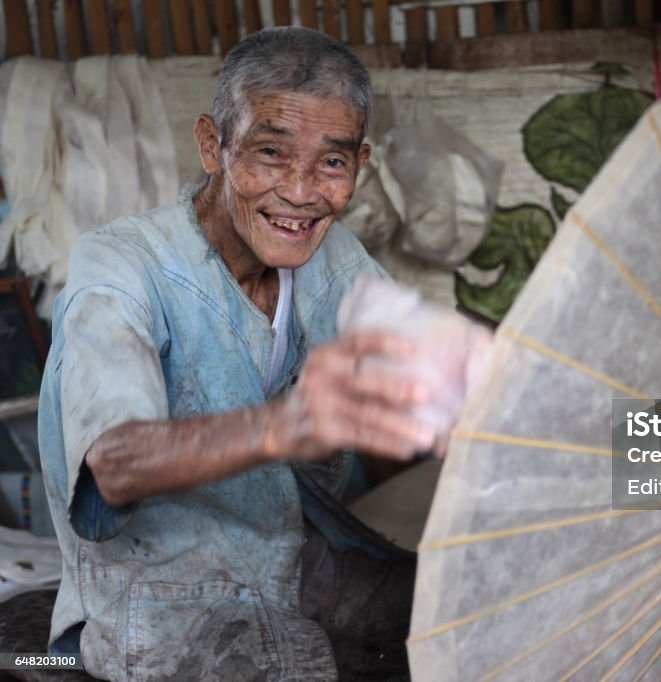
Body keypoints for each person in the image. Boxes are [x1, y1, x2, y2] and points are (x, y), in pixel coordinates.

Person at [38, 27, 436, 681]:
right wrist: (287, 426)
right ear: (212, 145)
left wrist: (650, 443)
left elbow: (438, 366)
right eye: (271, 154)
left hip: (299, 563)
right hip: (160, 598)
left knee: (477, 604)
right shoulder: (121, 266)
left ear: (359, 164)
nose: (302, 193)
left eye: (331, 163)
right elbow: (112, 462)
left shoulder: (333, 258)